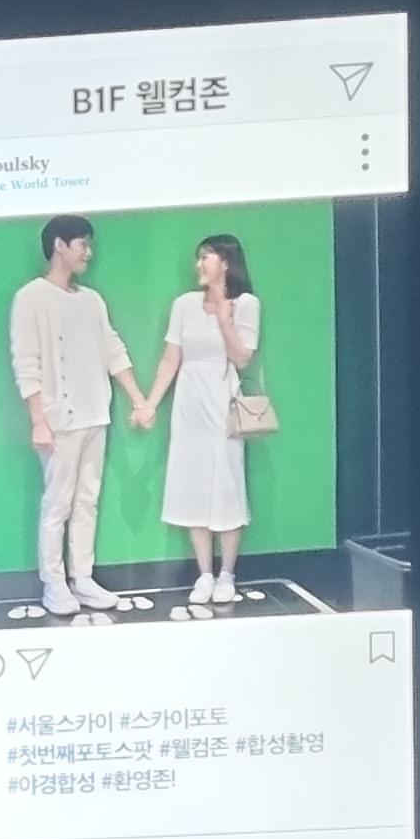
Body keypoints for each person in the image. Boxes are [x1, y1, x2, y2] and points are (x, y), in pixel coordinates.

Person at [5, 217, 151, 617]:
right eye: (82, 244)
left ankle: (82, 577)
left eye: (88, 244)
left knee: (88, 500)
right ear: (59, 245)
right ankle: (53, 582)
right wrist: (38, 419)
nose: (88, 252)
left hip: (94, 415)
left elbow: (112, 349)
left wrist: (138, 398)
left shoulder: (92, 300)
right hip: (58, 420)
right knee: (58, 504)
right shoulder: (31, 298)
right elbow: (26, 363)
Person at [143, 232, 260, 604]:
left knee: (227, 485)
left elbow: (242, 358)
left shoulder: (246, 304)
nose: (199, 264)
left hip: (222, 404)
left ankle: (227, 574)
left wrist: (225, 319)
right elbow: (170, 359)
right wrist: (150, 403)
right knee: (193, 485)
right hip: (189, 405)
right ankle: (204, 573)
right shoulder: (184, 305)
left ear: (225, 262)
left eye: (205, 257)